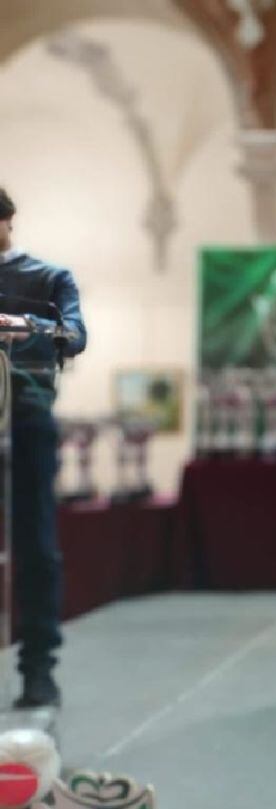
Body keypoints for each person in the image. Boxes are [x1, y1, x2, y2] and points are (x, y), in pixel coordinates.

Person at [0, 186, 88, 708]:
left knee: (34, 546)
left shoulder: (49, 277)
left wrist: (25, 325)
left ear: (7, 219)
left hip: (27, 420)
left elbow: (75, 335)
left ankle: (38, 669)